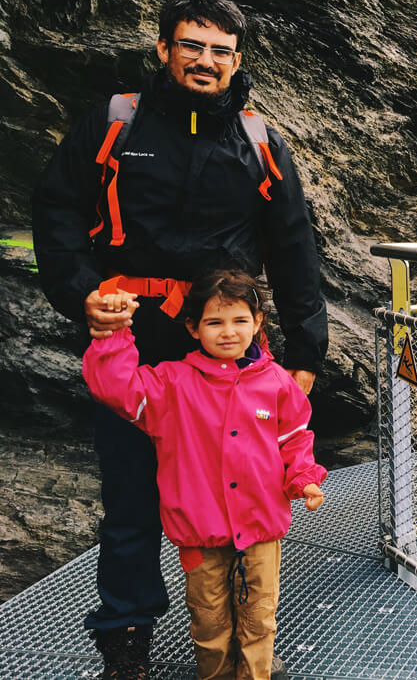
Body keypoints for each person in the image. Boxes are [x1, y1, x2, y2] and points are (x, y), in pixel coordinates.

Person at [32, 0, 327, 679]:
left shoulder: (260, 141)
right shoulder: (115, 124)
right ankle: (125, 639)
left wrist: (305, 356)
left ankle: (246, 649)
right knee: (130, 501)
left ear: (237, 59)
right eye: (191, 46)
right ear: (163, 49)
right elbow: (57, 210)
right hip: (134, 346)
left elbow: (294, 248)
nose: (205, 61)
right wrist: (83, 297)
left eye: (220, 51)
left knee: (246, 505)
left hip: (230, 351)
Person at [82, 270, 326, 680]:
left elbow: (294, 438)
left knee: (259, 623)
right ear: (193, 328)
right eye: (214, 322)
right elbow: (117, 389)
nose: (228, 332)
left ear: (258, 322)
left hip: (261, 529)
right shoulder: (170, 384)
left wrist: (304, 478)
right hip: (200, 533)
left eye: (239, 320)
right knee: (209, 627)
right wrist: (115, 335)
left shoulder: (278, 383)